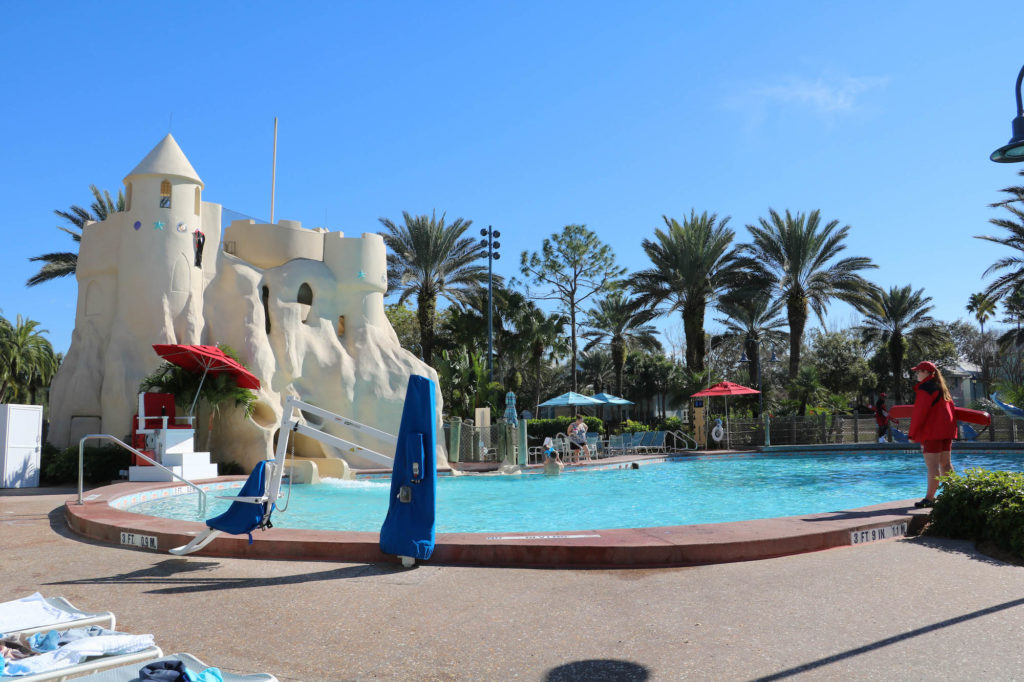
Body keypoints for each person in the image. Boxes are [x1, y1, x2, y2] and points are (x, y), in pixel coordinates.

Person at [907, 361, 957, 508]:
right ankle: (953, 493)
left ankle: (929, 499)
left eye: (919, 371)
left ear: (928, 373)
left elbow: (919, 413)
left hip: (932, 432)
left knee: (932, 466)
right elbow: (951, 411)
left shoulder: (925, 389)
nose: (917, 374)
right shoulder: (942, 388)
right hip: (946, 431)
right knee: (946, 464)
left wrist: (912, 435)